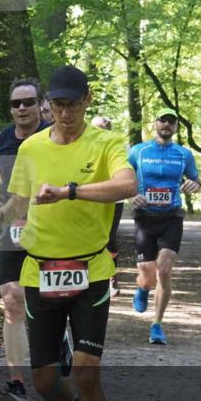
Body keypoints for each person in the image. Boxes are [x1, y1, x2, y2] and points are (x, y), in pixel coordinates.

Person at [1, 65, 136, 401]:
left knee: (85, 370)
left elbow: (126, 184)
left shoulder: (108, 142)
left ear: (87, 100)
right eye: (57, 104)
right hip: (39, 271)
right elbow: (17, 204)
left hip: (90, 270)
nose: (65, 113)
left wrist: (70, 191)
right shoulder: (32, 147)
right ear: (47, 105)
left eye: (73, 104)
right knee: (42, 381)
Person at [0, 79, 51, 401]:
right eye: (16, 103)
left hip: (52, 227)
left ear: (40, 104)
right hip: (13, 225)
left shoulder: (53, 136)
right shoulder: (1, 138)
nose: (22, 108)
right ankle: (17, 383)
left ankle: (58, 344)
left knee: (48, 300)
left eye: (29, 102)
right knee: (12, 299)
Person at [128, 109, 201, 345]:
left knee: (165, 270)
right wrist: (131, 195)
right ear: (155, 124)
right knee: (148, 275)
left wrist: (194, 184)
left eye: (171, 121)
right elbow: (122, 177)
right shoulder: (138, 151)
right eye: (163, 120)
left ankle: (157, 325)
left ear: (177, 127)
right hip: (144, 217)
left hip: (172, 217)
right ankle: (143, 288)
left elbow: (197, 181)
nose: (167, 124)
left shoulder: (183, 154)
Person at [91, 115, 123, 298]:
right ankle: (91, 277)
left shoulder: (116, 147)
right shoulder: (83, 145)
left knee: (109, 238)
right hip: (89, 198)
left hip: (113, 201)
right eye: (96, 129)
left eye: (104, 129)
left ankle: (111, 277)